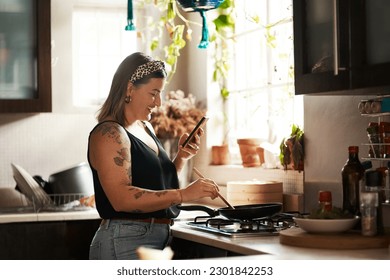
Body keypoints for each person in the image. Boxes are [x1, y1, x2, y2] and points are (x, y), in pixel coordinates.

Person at [87, 52, 219, 260]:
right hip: (123, 242)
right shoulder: (109, 134)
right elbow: (122, 199)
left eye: (161, 93)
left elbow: (156, 184)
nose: (158, 102)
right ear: (130, 89)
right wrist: (184, 194)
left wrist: (181, 157)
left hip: (156, 239)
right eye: (153, 93)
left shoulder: (145, 127)